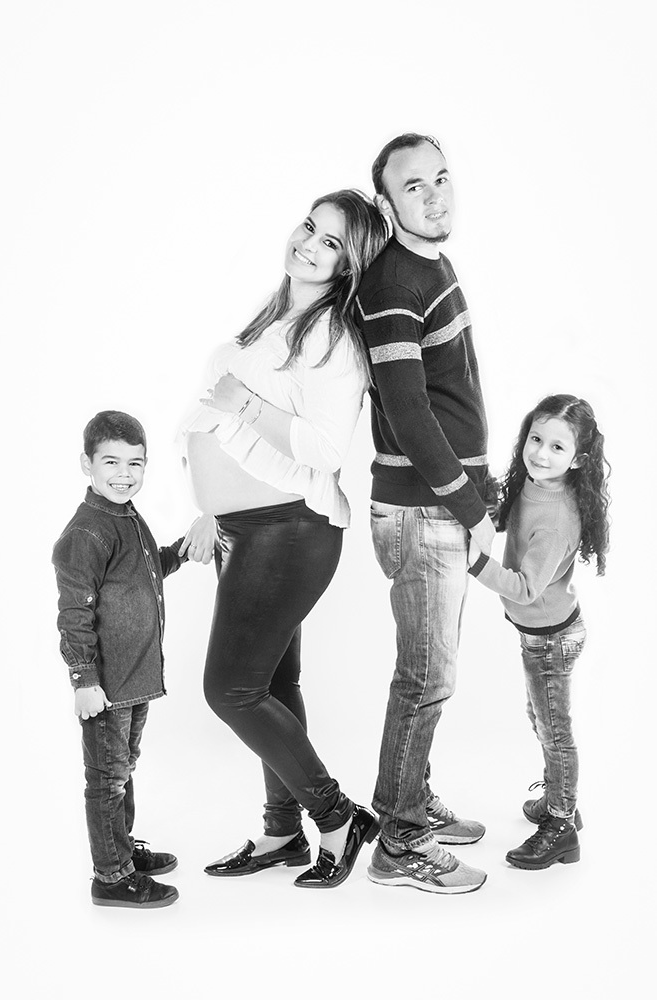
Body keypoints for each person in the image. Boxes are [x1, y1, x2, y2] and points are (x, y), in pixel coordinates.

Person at [179, 189, 389, 889]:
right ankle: (282, 832)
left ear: (348, 264)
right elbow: (217, 427)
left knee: (229, 690)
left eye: (331, 241)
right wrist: (208, 505)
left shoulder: (331, 338)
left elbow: (325, 448)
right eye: (309, 226)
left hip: (289, 530)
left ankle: (337, 817)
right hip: (245, 530)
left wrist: (243, 402)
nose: (309, 242)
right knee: (270, 682)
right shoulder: (275, 319)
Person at [356, 133, 496, 895]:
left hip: (439, 506)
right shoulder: (392, 282)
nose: (436, 194)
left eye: (441, 177)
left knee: (430, 673)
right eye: (415, 186)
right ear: (387, 203)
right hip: (423, 512)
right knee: (425, 679)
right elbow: (410, 416)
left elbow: (449, 395)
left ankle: (410, 800)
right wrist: (471, 508)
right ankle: (400, 841)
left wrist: (480, 488)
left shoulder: (428, 264)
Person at [467, 394, 610, 869]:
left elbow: (526, 588)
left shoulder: (557, 519)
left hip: (551, 639)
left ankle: (561, 824)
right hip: (541, 634)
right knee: (541, 718)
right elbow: (509, 517)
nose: (541, 454)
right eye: (536, 439)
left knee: (554, 730)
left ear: (578, 460)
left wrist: (476, 563)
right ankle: (560, 796)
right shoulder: (532, 485)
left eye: (557, 447)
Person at [52, 411, 187, 907]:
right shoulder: (87, 533)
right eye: (111, 462)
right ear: (86, 464)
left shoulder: (126, 515)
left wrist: (182, 551)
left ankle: (122, 852)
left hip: (135, 678)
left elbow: (143, 573)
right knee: (107, 779)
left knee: (122, 769)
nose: (124, 474)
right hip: (107, 686)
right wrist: (83, 679)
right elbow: (74, 613)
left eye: (135, 463)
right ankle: (111, 876)